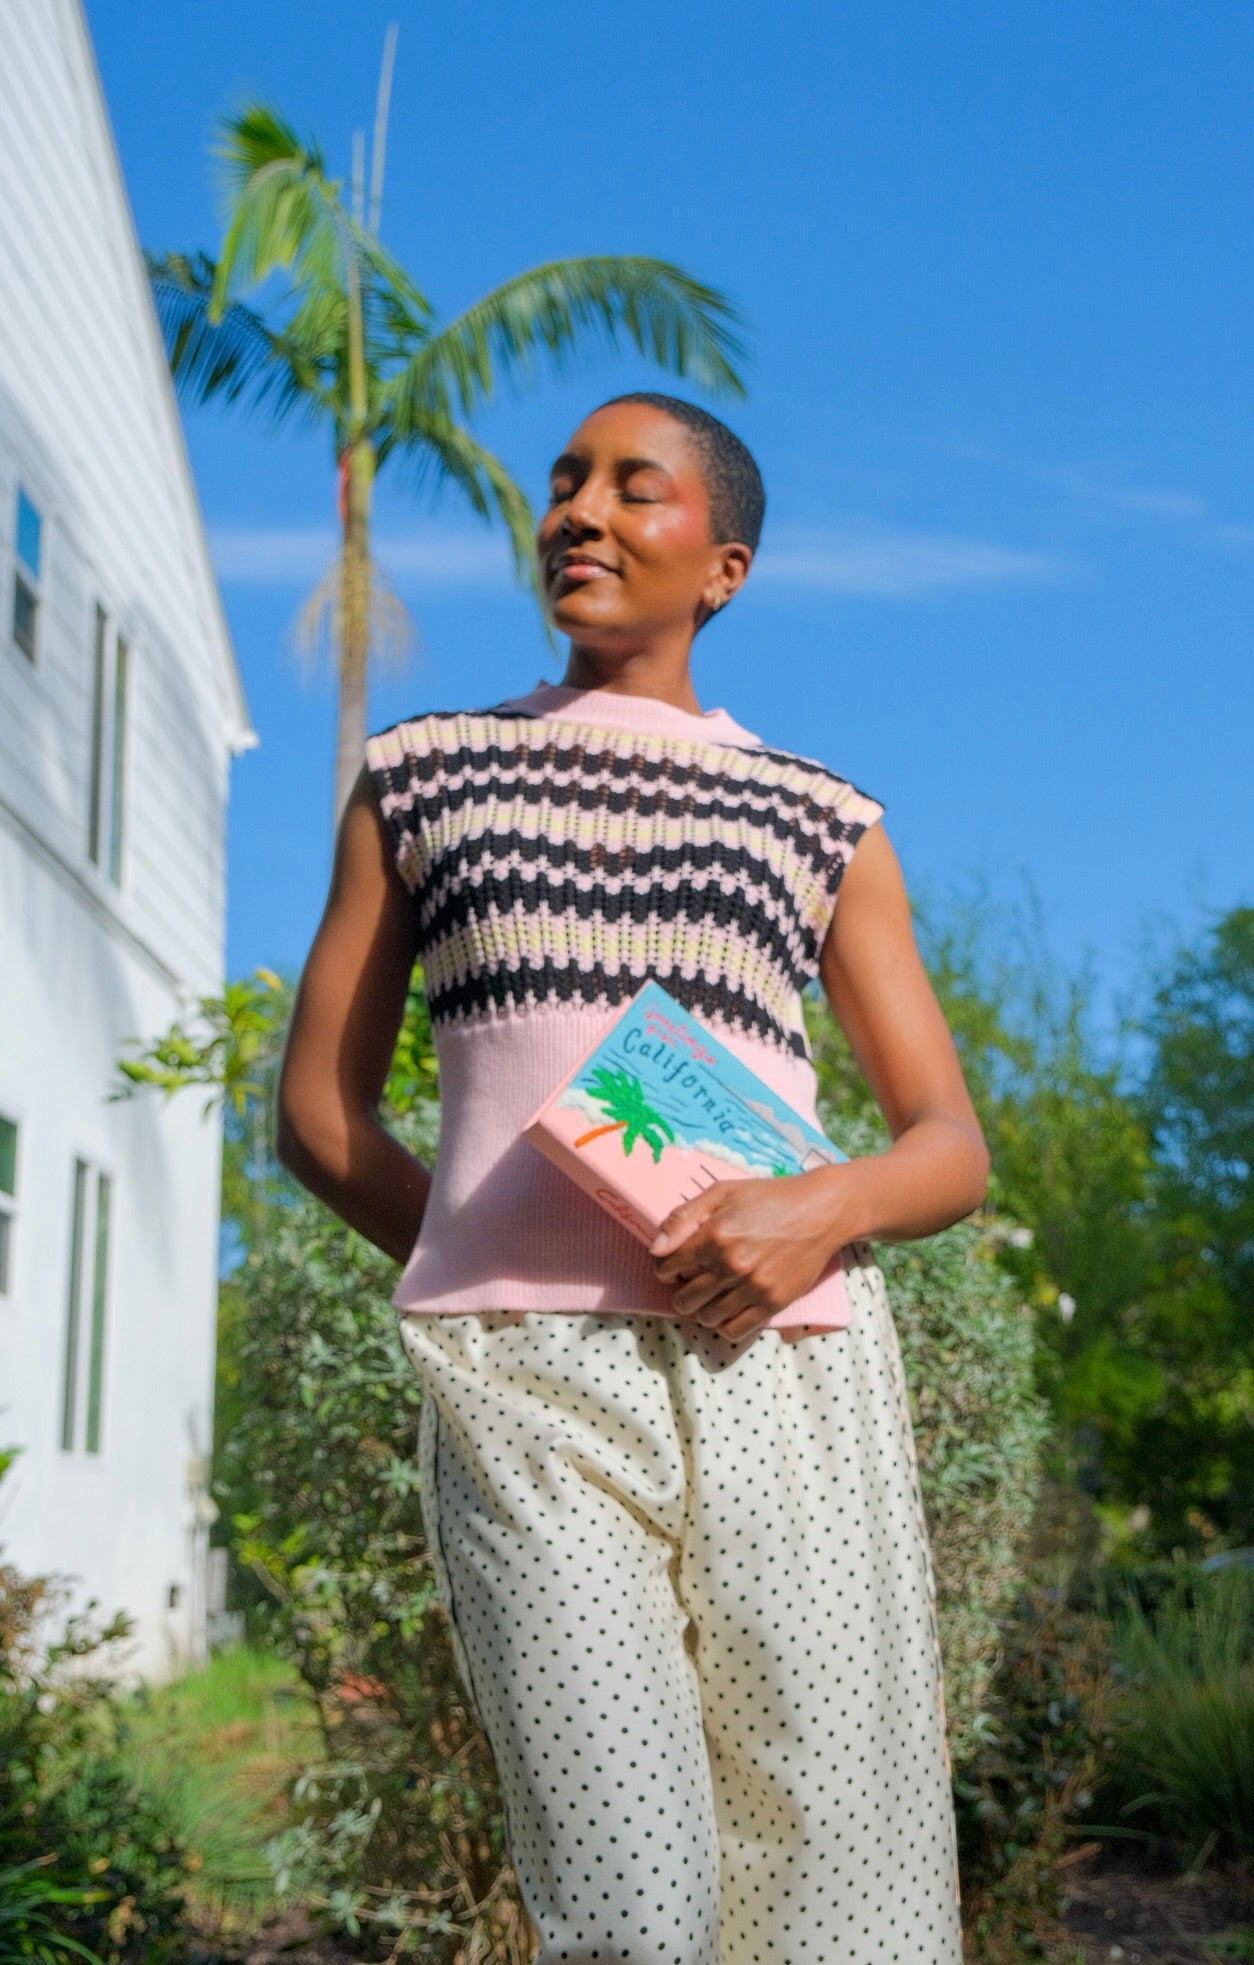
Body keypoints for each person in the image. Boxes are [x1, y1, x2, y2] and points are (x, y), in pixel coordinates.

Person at [275, 391, 988, 1964]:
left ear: (720, 565)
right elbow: (318, 1117)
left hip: (786, 1374)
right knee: (627, 1901)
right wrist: (491, 1262)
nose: (580, 512)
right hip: (527, 1392)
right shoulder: (423, 775)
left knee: (836, 1888)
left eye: (631, 489)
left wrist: (821, 1204)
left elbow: (948, 1142)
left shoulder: (823, 815)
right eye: (563, 483)